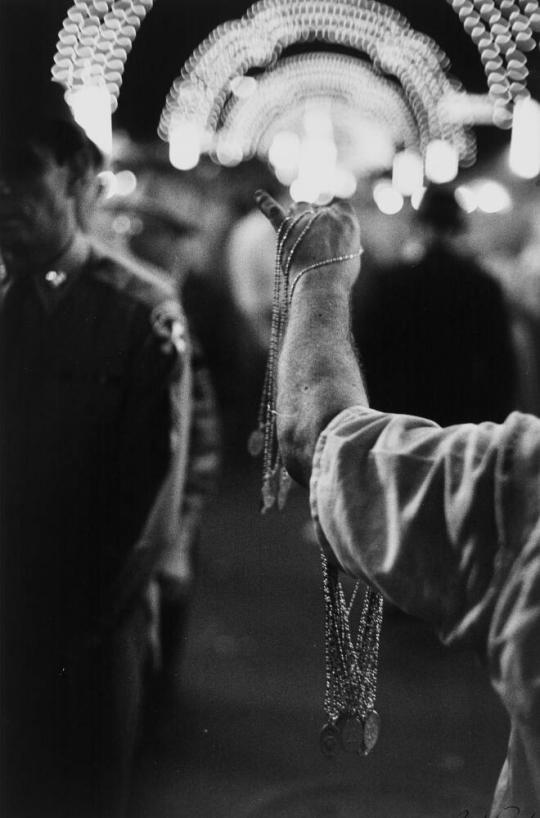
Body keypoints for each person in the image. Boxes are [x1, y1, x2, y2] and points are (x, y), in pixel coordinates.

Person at [255, 189, 540, 814]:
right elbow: (499, 370)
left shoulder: (521, 481)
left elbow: (321, 429)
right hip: (467, 428)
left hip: (422, 444)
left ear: (418, 225)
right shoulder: (484, 288)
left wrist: (320, 280)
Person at [0, 81, 189, 818]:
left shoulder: (139, 313)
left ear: (77, 178)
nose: (4, 196)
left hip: (90, 629)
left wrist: (80, 626)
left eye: (22, 173)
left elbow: (152, 509)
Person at [351, 184, 516, 426]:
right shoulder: (483, 284)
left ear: (421, 227)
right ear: (458, 229)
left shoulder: (392, 281)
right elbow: (500, 363)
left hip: (403, 416)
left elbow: (369, 353)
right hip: (465, 418)